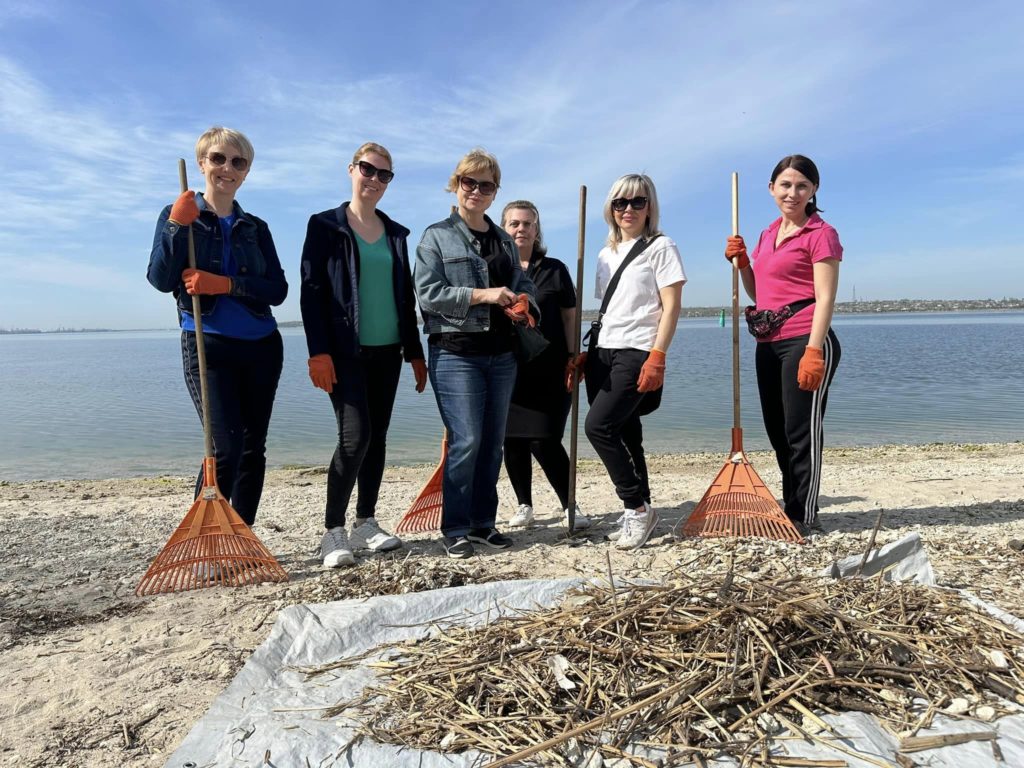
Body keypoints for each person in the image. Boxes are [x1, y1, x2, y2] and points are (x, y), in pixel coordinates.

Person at [147, 126, 287, 526]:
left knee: (251, 448)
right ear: (202, 163)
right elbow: (159, 279)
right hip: (208, 345)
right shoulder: (178, 215)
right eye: (218, 159)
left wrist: (225, 285)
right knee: (224, 447)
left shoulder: (256, 228)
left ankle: (241, 536)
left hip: (262, 346)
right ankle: (207, 537)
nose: (227, 168)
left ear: (246, 172)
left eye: (238, 162)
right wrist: (176, 225)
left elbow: (276, 290)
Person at [299, 142, 427, 568]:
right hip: (344, 351)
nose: (374, 180)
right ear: (351, 170)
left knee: (378, 438)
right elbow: (311, 292)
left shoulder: (395, 234)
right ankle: (332, 531)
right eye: (368, 170)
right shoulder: (325, 226)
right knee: (355, 437)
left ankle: (366, 522)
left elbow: (404, 298)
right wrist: (318, 351)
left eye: (384, 175)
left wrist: (415, 351)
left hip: (388, 350)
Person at [414, 149, 538, 559]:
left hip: (502, 354)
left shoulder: (502, 238)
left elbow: (523, 283)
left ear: (494, 192)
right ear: (457, 183)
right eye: (470, 182)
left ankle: (484, 524)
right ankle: (455, 528)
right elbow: (429, 296)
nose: (477, 191)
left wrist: (524, 300)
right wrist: (485, 295)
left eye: (486, 185)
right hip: (456, 354)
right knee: (466, 440)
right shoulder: (436, 236)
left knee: (492, 444)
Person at [724, 154, 842, 535]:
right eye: (786, 185)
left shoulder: (821, 233)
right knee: (777, 432)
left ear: (814, 191)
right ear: (772, 188)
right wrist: (743, 264)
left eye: (802, 186)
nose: (793, 192)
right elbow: (762, 292)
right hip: (768, 341)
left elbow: (824, 297)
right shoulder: (766, 233)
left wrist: (813, 350)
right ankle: (791, 504)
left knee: (800, 432)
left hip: (806, 340)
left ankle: (805, 514)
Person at [567, 173, 685, 549]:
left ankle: (634, 507)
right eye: (621, 202)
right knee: (626, 432)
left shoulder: (662, 247)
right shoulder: (605, 253)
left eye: (637, 201)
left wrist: (658, 357)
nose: (628, 209)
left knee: (597, 427)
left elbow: (671, 308)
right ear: (610, 209)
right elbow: (611, 308)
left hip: (637, 350)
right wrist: (588, 352)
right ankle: (644, 509)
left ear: (650, 206)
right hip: (604, 349)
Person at [500, 201, 591, 530]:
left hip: (552, 368)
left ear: (537, 230)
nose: (521, 229)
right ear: (504, 229)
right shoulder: (496, 268)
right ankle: (524, 504)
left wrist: (573, 356)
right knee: (511, 438)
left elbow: (569, 315)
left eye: (527, 224)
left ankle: (570, 505)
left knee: (545, 438)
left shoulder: (554, 268)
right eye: (513, 224)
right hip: (507, 368)